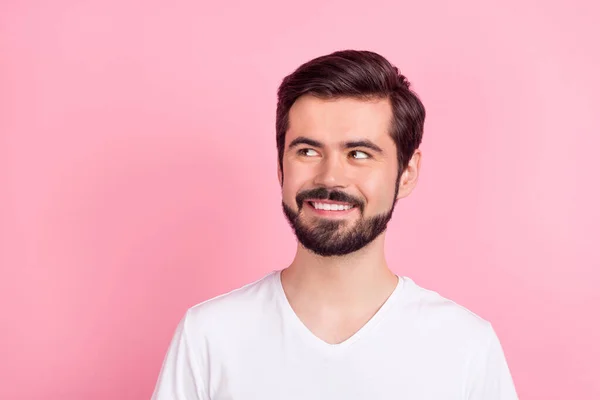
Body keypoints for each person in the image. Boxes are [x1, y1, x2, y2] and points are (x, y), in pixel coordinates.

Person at [151, 50, 519, 399]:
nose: (331, 177)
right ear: (281, 167)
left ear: (407, 173)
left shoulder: (465, 345)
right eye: (308, 151)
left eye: (359, 154)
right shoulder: (209, 336)